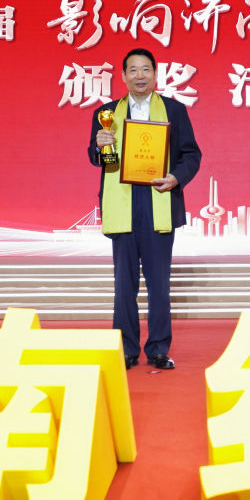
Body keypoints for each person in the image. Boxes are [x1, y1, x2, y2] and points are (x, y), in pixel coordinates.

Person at [88, 48, 202, 370]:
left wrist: (176, 178)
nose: (140, 75)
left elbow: (191, 155)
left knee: (159, 284)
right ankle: (125, 349)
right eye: (133, 70)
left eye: (146, 69)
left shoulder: (174, 111)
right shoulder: (106, 113)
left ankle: (158, 349)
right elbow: (98, 158)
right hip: (123, 202)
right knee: (124, 285)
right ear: (123, 76)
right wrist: (99, 146)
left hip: (158, 199)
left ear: (155, 73)